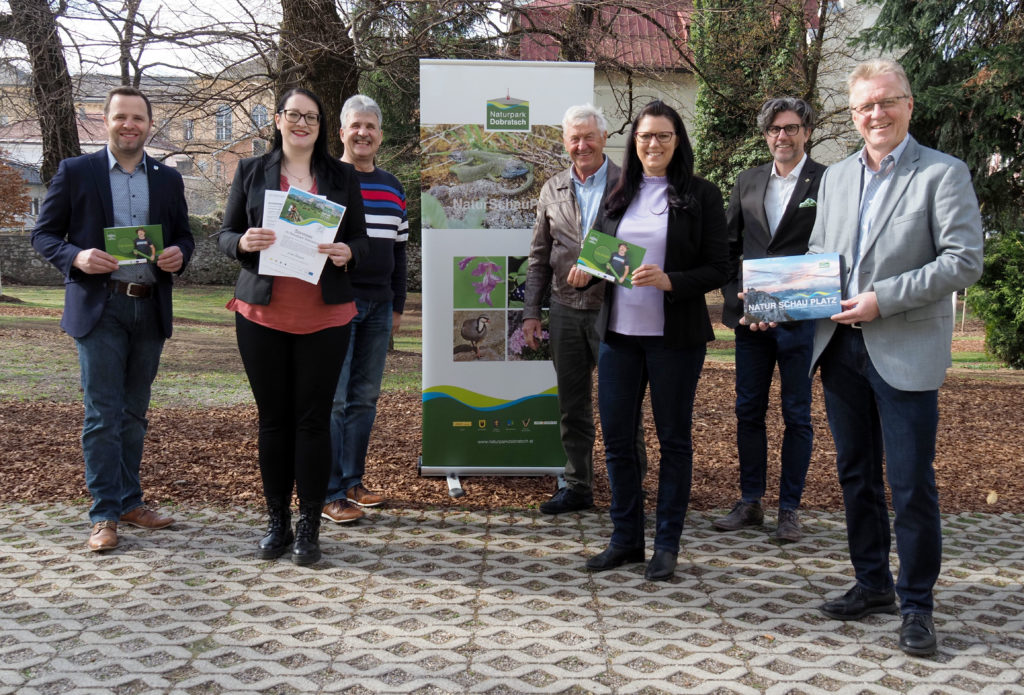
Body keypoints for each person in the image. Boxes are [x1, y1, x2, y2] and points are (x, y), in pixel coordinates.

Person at [809, 59, 983, 657]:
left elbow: (963, 260)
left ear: (909, 104)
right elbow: (816, 254)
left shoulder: (943, 173)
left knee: (910, 484)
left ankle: (917, 605)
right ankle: (871, 584)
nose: (876, 114)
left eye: (887, 102)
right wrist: (782, 301)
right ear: (852, 114)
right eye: (864, 107)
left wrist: (883, 300)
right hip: (838, 347)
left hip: (903, 345)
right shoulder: (833, 178)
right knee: (856, 476)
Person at [568, 100, 729, 581]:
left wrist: (670, 280)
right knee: (617, 441)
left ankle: (667, 544)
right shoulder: (618, 194)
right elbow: (599, 260)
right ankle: (625, 540)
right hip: (619, 337)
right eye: (644, 137)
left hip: (674, 339)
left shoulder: (700, 195)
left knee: (673, 441)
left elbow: (720, 268)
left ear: (677, 141)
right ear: (633, 144)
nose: (653, 144)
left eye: (662, 136)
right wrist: (583, 274)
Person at [30, 86, 194, 552]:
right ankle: (103, 514)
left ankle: (129, 501)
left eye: (138, 118)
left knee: (134, 414)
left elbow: (184, 236)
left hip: (149, 304)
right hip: (100, 307)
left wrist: (181, 254)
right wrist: (76, 256)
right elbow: (43, 235)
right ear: (106, 122)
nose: (129, 125)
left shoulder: (166, 178)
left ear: (148, 124)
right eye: (121, 117)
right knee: (103, 414)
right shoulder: (76, 172)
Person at [218, 87, 368, 566]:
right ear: (278, 120)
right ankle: (277, 521)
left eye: (312, 116)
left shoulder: (341, 176)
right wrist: (242, 241)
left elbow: (362, 240)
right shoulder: (250, 171)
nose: (302, 123)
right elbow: (222, 235)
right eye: (293, 115)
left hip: (324, 316)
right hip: (263, 315)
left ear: (321, 127)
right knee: (274, 421)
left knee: (313, 421)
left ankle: (308, 526)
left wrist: (349, 252)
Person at [523, 103, 646, 515]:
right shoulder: (551, 188)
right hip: (564, 310)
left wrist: (593, 267)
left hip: (616, 310)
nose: (582, 145)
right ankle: (577, 487)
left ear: (604, 138)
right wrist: (530, 313)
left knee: (623, 406)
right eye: (574, 138)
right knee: (571, 407)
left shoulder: (631, 184)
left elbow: (639, 245)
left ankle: (632, 490)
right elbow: (538, 257)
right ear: (564, 142)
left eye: (589, 136)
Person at [713, 98, 824, 543]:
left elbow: (832, 243)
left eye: (792, 127)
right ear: (766, 135)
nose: (784, 136)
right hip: (753, 320)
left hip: (801, 318)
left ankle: (790, 510)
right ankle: (751, 501)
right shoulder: (747, 180)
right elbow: (727, 246)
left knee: (797, 414)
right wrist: (736, 302)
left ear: (807, 132)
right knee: (748, 411)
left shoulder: (828, 181)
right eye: (776, 129)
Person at [322, 94, 408, 524]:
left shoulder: (393, 186)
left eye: (370, 127)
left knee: (364, 399)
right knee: (334, 401)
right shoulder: (326, 181)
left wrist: (398, 304)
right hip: (336, 301)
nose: (363, 133)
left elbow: (401, 250)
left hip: (379, 306)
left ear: (379, 134)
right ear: (341, 132)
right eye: (355, 126)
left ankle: (353, 481)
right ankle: (330, 490)